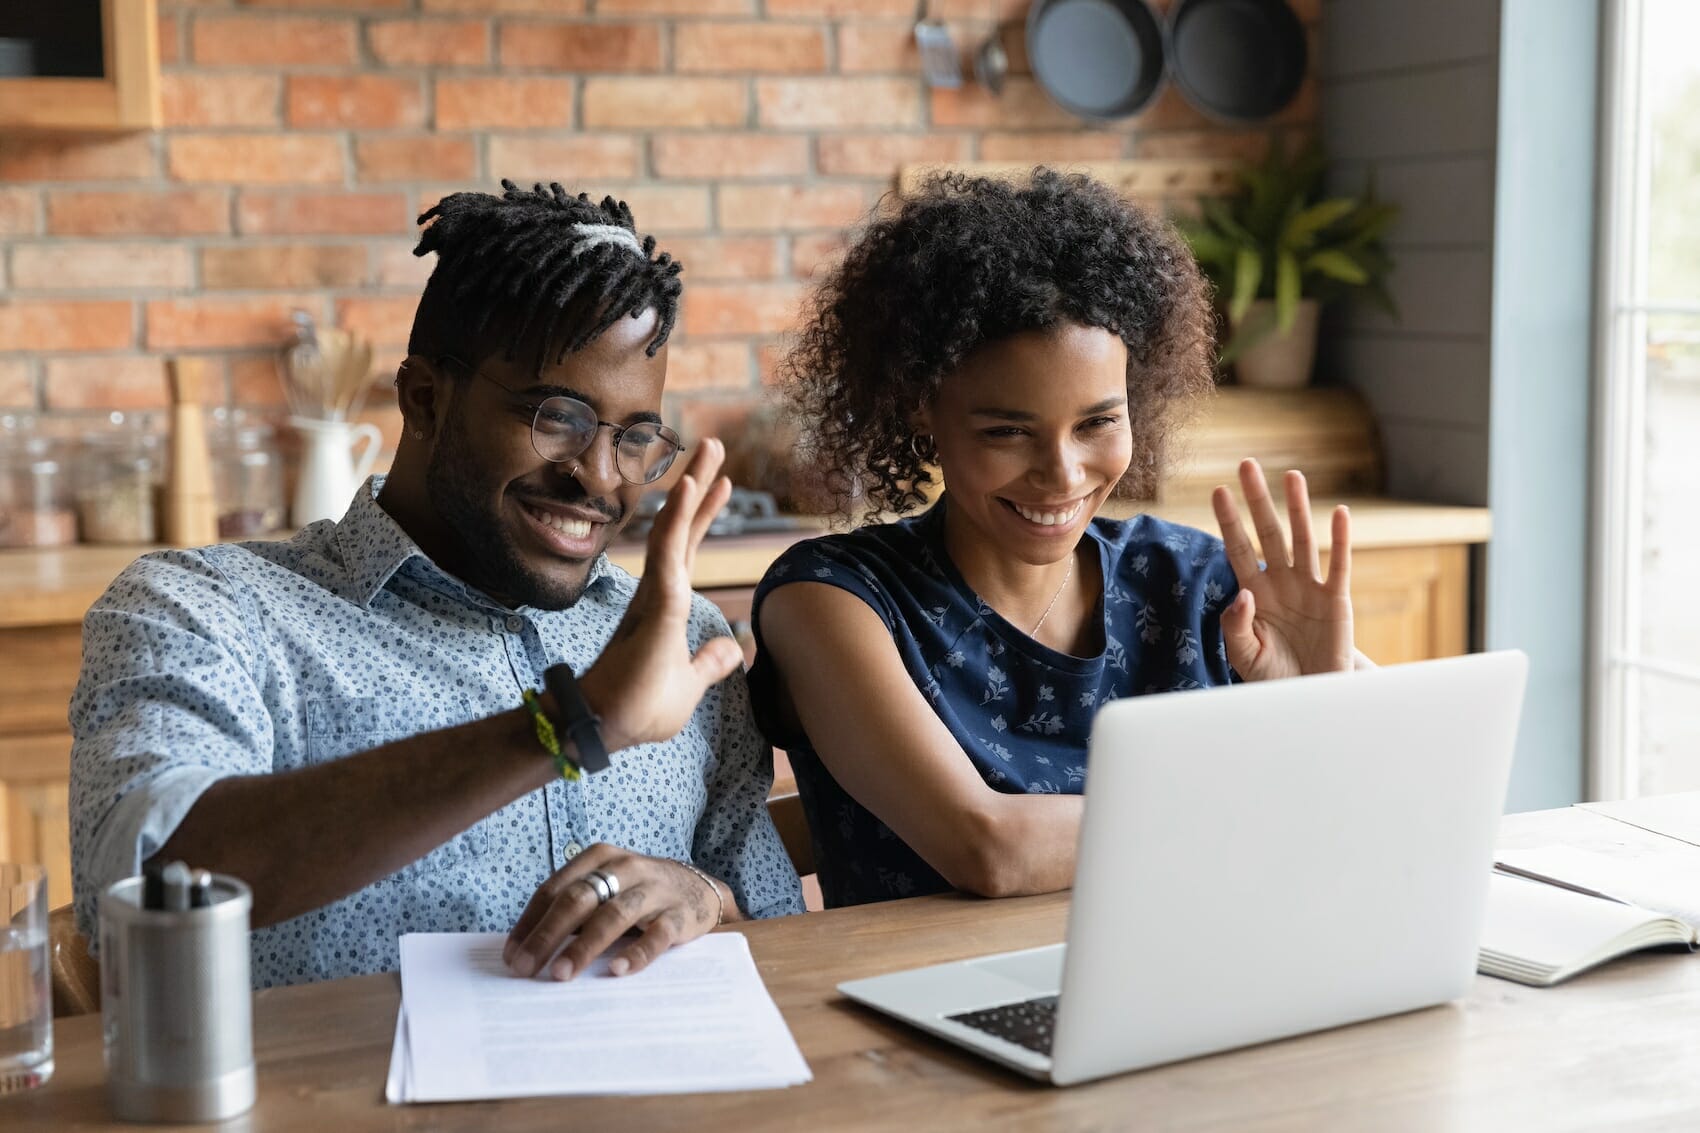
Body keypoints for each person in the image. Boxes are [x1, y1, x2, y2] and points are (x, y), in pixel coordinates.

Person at [70, 181, 804, 989]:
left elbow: (776, 931)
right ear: (424, 398)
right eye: (556, 417)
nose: (599, 478)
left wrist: (702, 896)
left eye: (635, 438)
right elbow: (143, 887)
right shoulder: (210, 611)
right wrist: (568, 723)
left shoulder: (681, 640)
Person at [747, 170, 1361, 908]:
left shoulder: (1194, 581)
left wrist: (1328, 709)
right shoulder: (835, 599)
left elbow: (1405, 799)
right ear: (920, 409)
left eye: (1098, 423)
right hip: (921, 999)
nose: (1061, 473)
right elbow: (991, 847)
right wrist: (1282, 782)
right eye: (1007, 431)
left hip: (1184, 983)